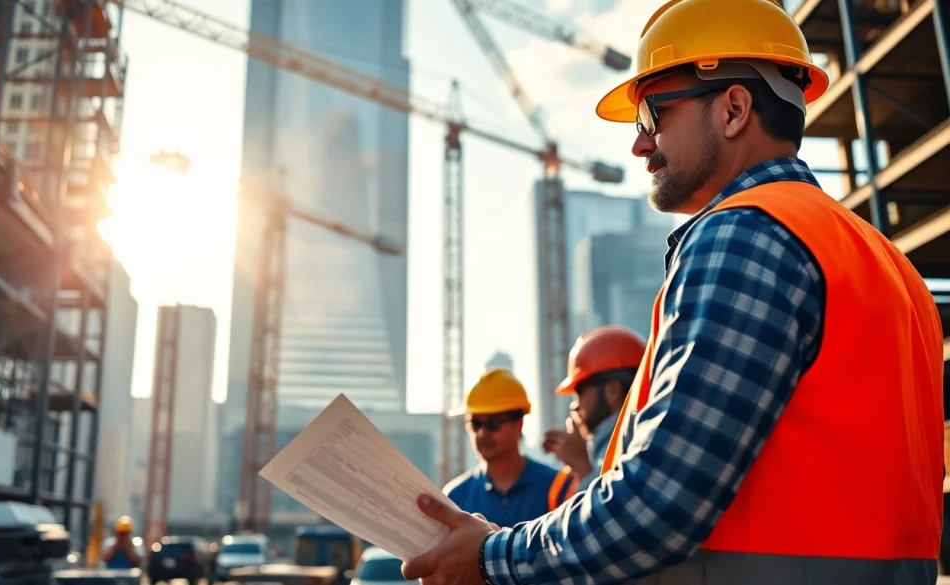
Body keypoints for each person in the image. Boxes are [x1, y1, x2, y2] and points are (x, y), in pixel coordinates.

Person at [400, 1, 945, 584]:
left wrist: (492, 557)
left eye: (654, 114)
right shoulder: (886, 262)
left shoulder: (746, 231)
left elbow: (660, 501)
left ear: (734, 108)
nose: (640, 144)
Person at [443, 368, 576, 528]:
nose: (482, 433)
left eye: (493, 424)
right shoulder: (455, 497)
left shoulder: (558, 487)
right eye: (475, 424)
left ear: (519, 424)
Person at [542, 325, 645, 489]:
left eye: (579, 393)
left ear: (613, 390)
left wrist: (582, 466)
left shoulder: (633, 444)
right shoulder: (621, 439)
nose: (575, 406)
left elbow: (614, 509)